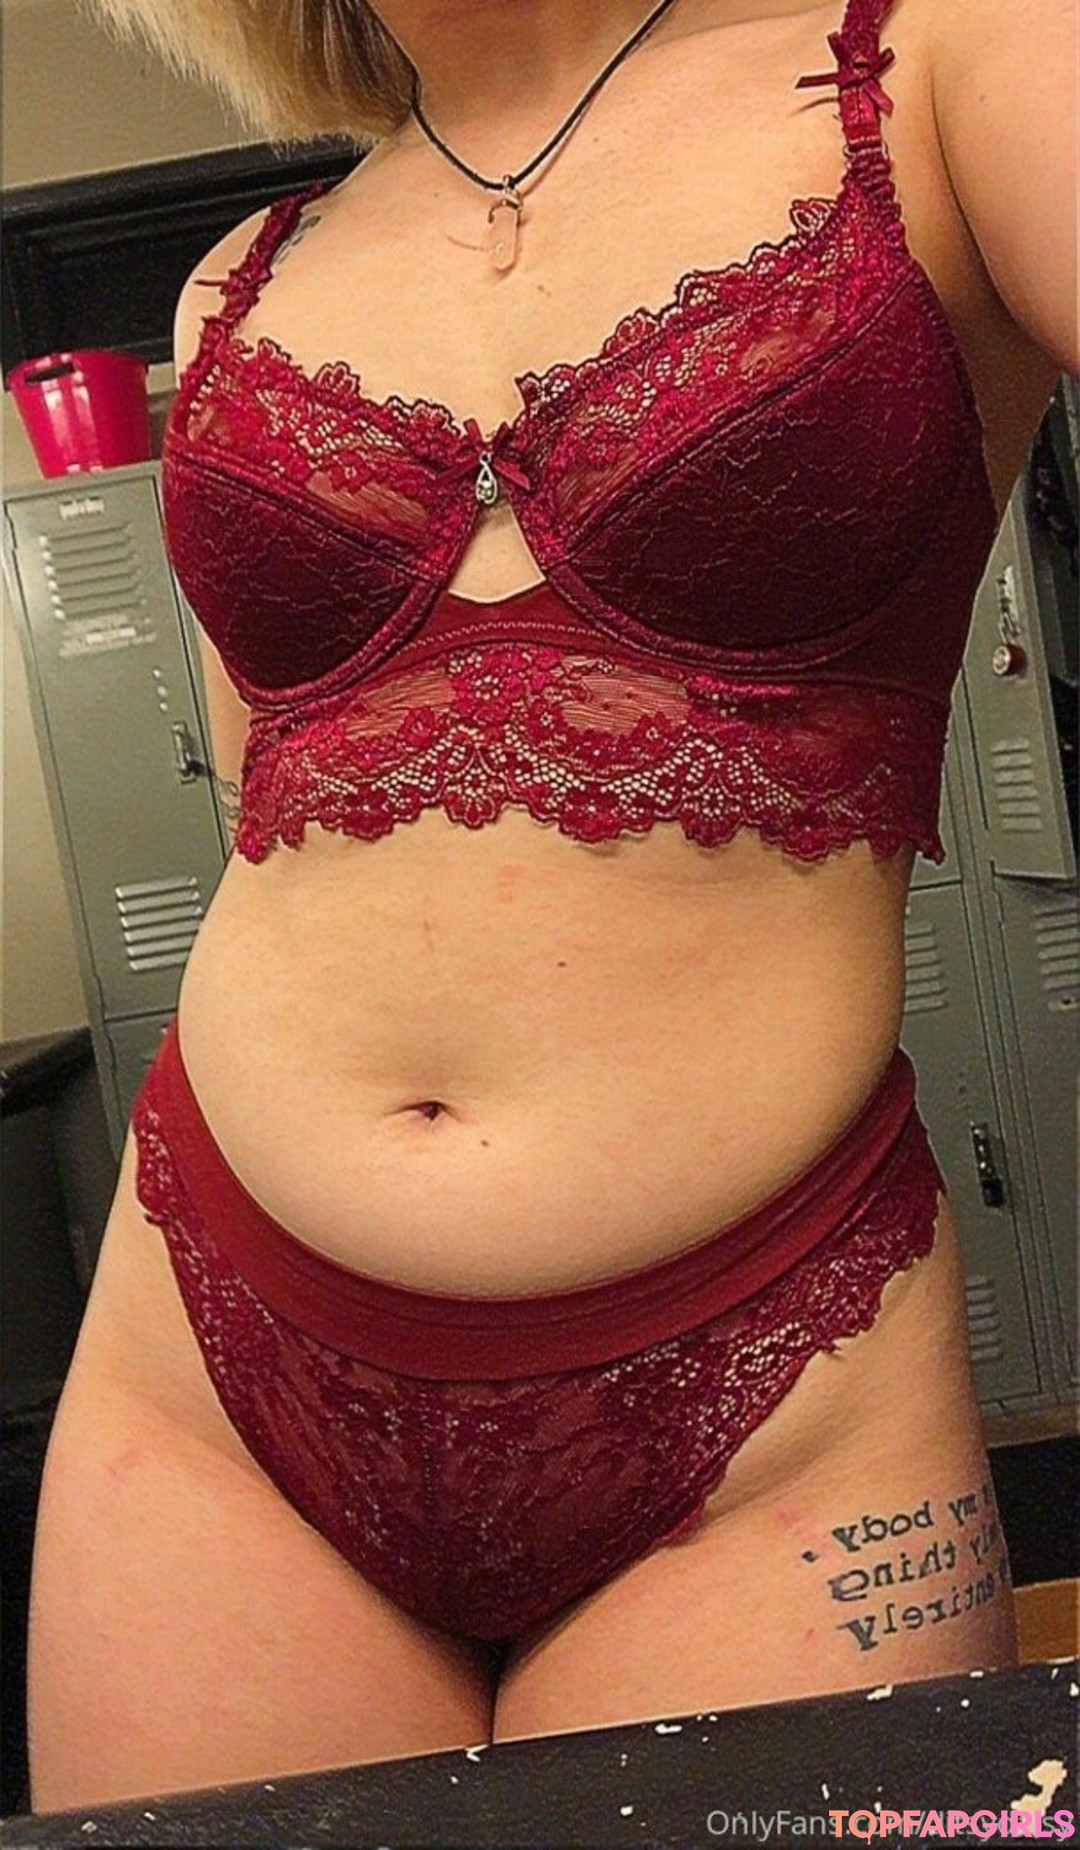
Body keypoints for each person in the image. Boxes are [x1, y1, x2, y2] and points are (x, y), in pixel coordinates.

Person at [28, 0, 1075, 1814]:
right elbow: (274, 802)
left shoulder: (954, 68)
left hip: (773, 1371)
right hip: (211, 1357)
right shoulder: (236, 289)